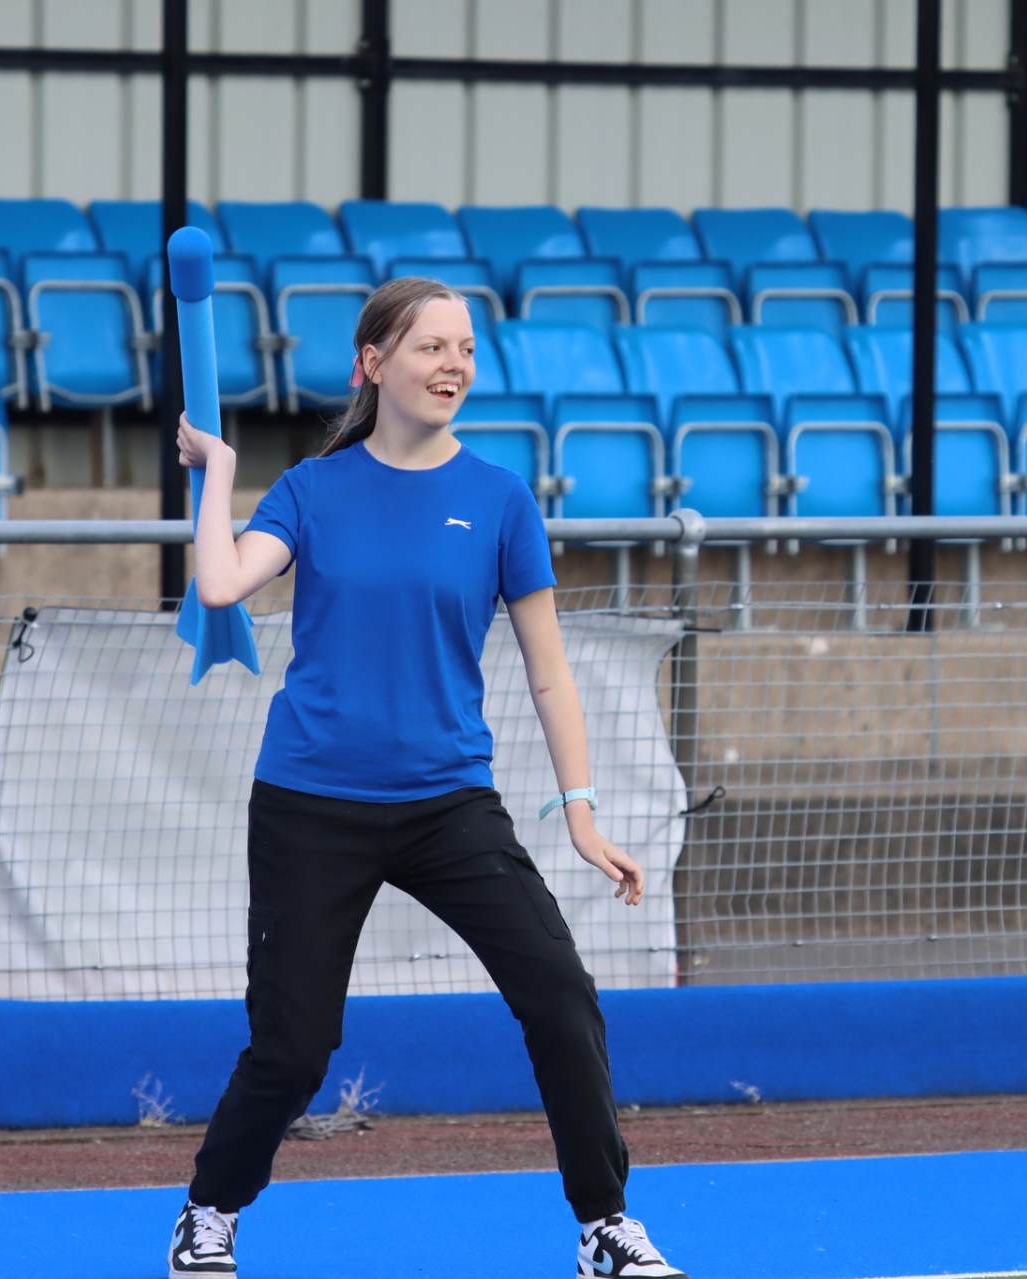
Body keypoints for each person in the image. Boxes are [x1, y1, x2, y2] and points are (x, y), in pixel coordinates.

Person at [166, 276, 689, 1279]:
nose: (454, 365)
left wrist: (581, 813)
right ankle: (209, 1209)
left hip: (449, 804)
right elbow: (222, 582)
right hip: (312, 803)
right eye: (431, 347)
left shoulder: (499, 499)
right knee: (294, 1048)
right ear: (373, 364)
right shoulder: (312, 490)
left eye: (465, 349)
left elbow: (549, 671)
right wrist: (222, 468)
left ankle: (605, 1227)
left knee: (561, 994)